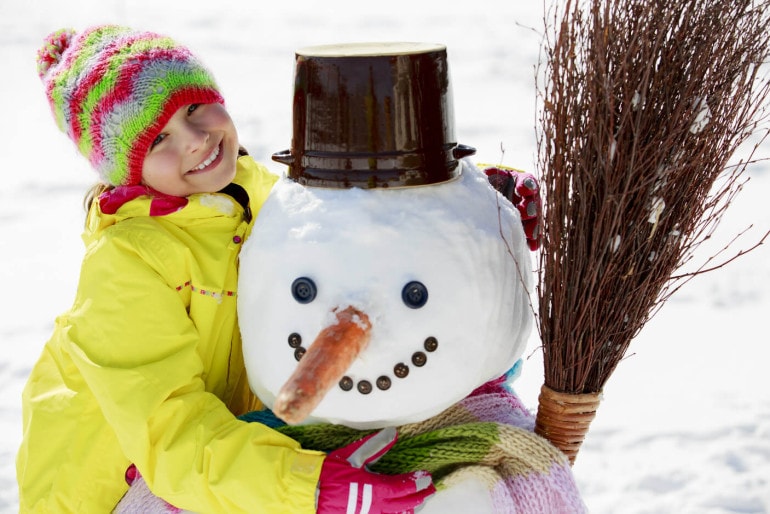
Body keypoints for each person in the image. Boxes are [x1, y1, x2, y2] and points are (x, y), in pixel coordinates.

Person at [17, 25, 436, 513]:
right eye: (159, 140)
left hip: (213, 458)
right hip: (120, 490)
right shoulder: (127, 264)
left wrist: (481, 209)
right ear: (130, 172)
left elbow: (359, 235)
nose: (196, 140)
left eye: (194, 108)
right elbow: (171, 433)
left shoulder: (259, 194)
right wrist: (307, 487)